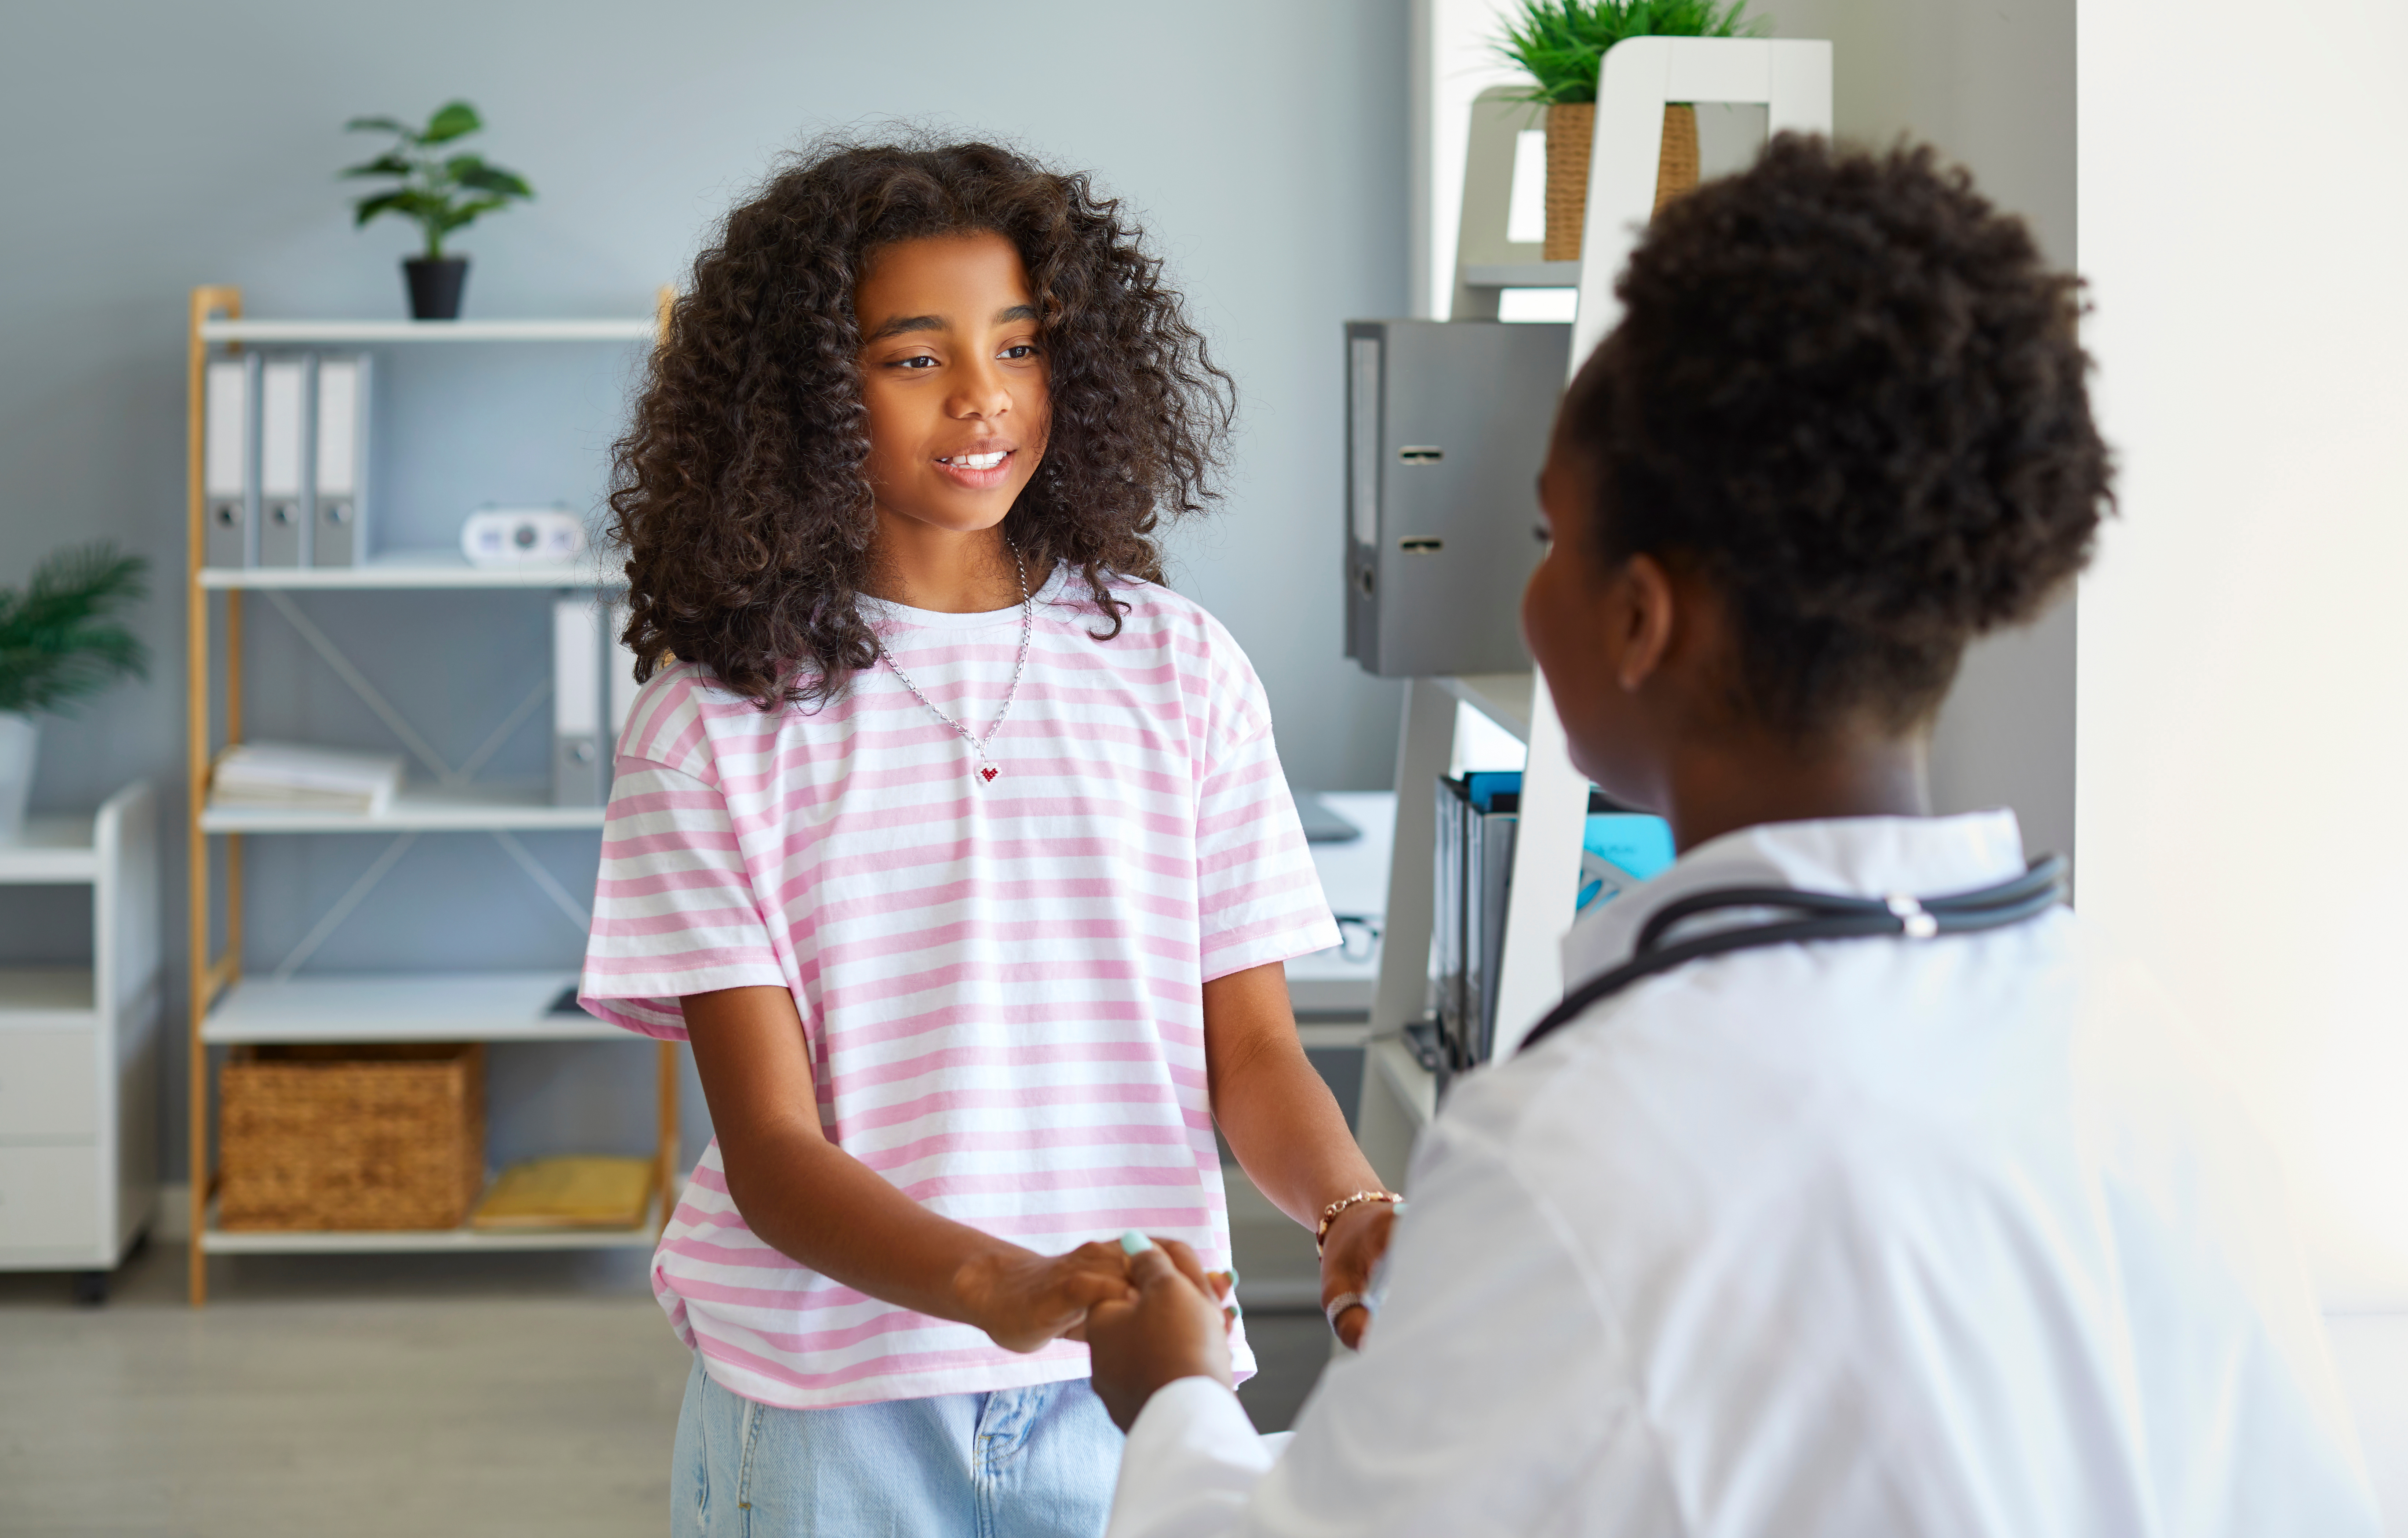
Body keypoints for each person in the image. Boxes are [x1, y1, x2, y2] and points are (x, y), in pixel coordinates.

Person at [1084, 137, 2383, 1537]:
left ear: (1640, 619)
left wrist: (1176, 1399)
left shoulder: (1578, 1142)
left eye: (1544, 539)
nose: (1525, 597)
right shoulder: (2129, 1052)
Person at [579, 137, 1395, 1538]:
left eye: (1020, 348)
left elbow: (1250, 1052)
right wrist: (1005, 1289)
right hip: (833, 1420)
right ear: (804, 399)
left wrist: (1347, 1209)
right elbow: (772, 1150)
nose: (983, 400)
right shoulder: (709, 727)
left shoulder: (1180, 670)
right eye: (914, 359)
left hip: (1141, 1393)